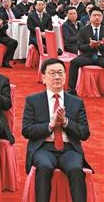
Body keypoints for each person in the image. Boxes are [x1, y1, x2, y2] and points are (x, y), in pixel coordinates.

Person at [22, 58, 91, 202]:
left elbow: (84, 133)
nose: (57, 77)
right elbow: (27, 130)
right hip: (43, 148)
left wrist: (65, 122)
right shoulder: (33, 101)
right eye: (52, 73)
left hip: (69, 149)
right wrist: (50, 125)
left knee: (75, 169)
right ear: (43, 77)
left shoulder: (76, 102)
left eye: (60, 73)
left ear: (65, 76)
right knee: (44, 167)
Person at [68, 6, 104, 95]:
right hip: (88, 56)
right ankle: (71, 89)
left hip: (101, 56)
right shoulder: (83, 30)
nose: (97, 17)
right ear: (90, 17)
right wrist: (90, 46)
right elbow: (80, 47)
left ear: (102, 17)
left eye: (99, 15)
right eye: (94, 15)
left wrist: (100, 45)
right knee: (74, 62)